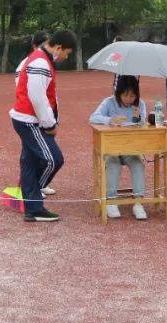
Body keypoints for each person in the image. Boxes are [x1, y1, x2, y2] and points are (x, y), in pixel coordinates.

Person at [9, 29, 77, 223]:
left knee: (30, 162)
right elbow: (37, 98)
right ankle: (32, 197)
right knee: (53, 159)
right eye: (67, 53)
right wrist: (50, 124)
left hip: (30, 119)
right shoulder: (40, 62)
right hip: (30, 121)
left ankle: (33, 207)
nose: (66, 57)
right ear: (58, 47)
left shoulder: (41, 60)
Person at [89, 75, 149, 220]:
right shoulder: (109, 102)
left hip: (130, 148)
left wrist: (138, 119)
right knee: (113, 164)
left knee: (138, 164)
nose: (130, 99)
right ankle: (111, 200)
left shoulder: (140, 104)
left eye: (133, 95)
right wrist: (110, 120)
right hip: (111, 148)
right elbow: (93, 118)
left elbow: (144, 126)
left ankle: (138, 202)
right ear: (119, 93)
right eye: (126, 95)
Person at [14, 31, 55, 197]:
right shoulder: (29, 63)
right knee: (32, 154)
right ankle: (29, 187)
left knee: (35, 153)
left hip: (43, 116)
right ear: (35, 46)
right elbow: (30, 91)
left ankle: (38, 184)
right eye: (43, 44)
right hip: (31, 117)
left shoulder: (45, 62)